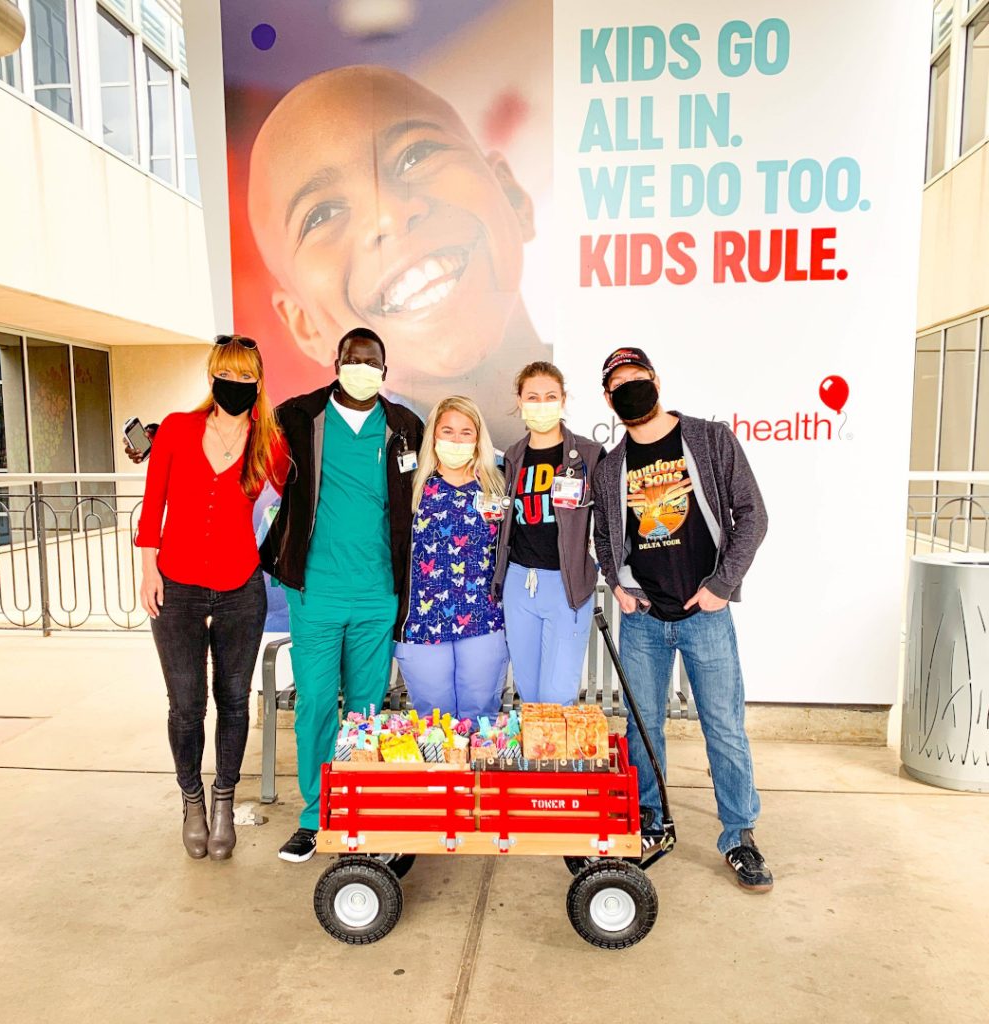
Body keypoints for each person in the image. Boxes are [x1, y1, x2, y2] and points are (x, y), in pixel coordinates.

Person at [246, 65, 550, 439]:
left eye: (415, 155)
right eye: (322, 215)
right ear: (306, 326)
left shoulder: (625, 403)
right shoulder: (335, 479)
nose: (389, 214)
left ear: (512, 196)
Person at [591, 347, 773, 893]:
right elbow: (605, 535)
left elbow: (753, 516)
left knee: (724, 728)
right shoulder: (609, 465)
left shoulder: (711, 439)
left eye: (637, 379)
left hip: (704, 615)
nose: (630, 389)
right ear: (608, 397)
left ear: (656, 380)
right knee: (643, 730)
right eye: (618, 384)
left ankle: (739, 835)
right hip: (644, 618)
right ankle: (651, 821)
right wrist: (618, 585)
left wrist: (722, 585)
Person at [260, 326, 424, 863]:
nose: (361, 367)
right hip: (318, 593)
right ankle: (315, 816)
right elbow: (238, 433)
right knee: (313, 709)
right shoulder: (299, 416)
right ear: (336, 363)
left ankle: (359, 808)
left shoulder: (404, 427)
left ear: (385, 368)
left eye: (371, 360)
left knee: (366, 711)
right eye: (352, 359)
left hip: (378, 593)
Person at [135, 336, 288, 861]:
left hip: (240, 588)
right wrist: (147, 567)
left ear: (259, 383)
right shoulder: (178, 428)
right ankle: (192, 799)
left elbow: (292, 503)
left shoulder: (270, 442)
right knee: (185, 704)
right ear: (212, 376)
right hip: (175, 586)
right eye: (229, 374)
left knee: (234, 699)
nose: (237, 385)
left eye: (248, 377)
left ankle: (224, 800)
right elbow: (153, 503)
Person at [491, 362, 605, 704]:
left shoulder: (589, 455)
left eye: (550, 396)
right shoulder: (512, 456)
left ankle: (555, 757)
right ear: (520, 401)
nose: (542, 404)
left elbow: (610, 520)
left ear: (563, 400)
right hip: (519, 582)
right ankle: (535, 759)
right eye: (533, 397)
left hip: (566, 584)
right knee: (528, 692)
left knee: (557, 696)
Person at [395, 396, 509, 720]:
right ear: (433, 435)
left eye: (465, 432)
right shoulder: (412, 487)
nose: (456, 440)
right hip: (422, 624)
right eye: (447, 431)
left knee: (480, 720)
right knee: (434, 724)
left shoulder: (496, 486)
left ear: (478, 439)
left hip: (483, 621)